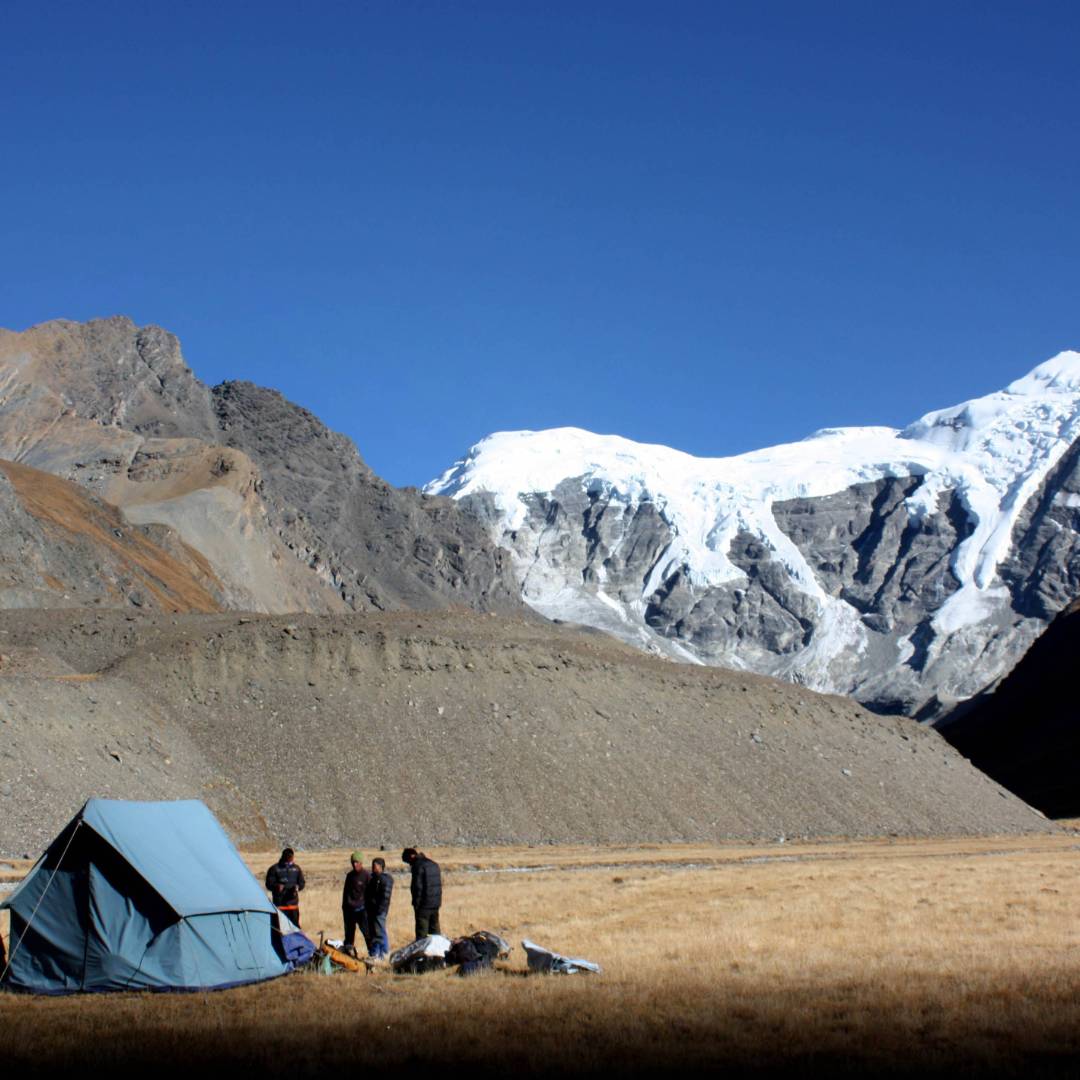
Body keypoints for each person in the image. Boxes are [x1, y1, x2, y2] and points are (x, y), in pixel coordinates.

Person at [401, 847, 441, 939]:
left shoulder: (418, 866)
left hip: (424, 905)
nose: (409, 864)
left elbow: (417, 887)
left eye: (408, 861)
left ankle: (423, 948)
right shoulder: (434, 864)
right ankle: (438, 947)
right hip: (435, 903)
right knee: (435, 931)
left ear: (412, 856)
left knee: (422, 933)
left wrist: (416, 904)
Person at [265, 847, 306, 928]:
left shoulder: (296, 869)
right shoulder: (274, 869)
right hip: (280, 905)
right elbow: (268, 884)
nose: (290, 859)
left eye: (291, 857)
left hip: (293, 905)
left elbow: (302, 883)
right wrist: (277, 887)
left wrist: (297, 887)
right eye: (288, 857)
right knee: (280, 928)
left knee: (294, 928)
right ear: (284, 857)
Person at [341, 852, 370, 957]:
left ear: (361, 862)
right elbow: (345, 893)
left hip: (362, 910)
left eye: (357, 862)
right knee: (349, 935)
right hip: (349, 911)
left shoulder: (366, 875)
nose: (355, 864)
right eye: (353, 862)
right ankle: (348, 956)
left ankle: (372, 954)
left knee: (367, 934)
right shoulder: (350, 876)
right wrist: (344, 907)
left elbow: (370, 894)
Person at [364, 857, 394, 958]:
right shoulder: (373, 878)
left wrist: (380, 910)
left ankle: (383, 953)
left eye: (375, 866)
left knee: (379, 932)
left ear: (381, 867)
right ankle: (376, 953)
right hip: (372, 910)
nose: (373, 868)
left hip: (379, 911)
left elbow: (385, 897)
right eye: (372, 865)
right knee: (375, 932)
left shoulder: (385, 879)